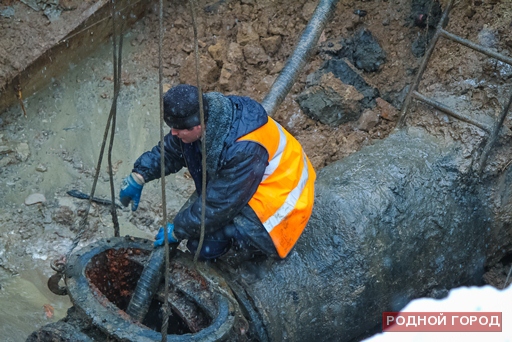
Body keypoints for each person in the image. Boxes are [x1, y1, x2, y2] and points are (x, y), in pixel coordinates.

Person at [119, 84, 316, 260]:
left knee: (203, 246)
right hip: (251, 181)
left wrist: (178, 230)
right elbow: (170, 150)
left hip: (282, 201)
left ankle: (242, 257)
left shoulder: (243, 149)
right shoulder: (208, 115)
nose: (173, 133)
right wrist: (139, 175)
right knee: (199, 234)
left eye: (178, 129)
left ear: (197, 125)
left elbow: (220, 205)